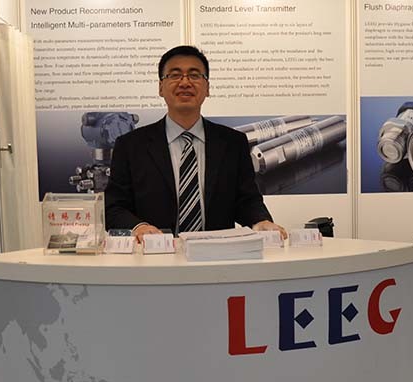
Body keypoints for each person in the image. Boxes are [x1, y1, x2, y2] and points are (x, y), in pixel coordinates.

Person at [105, 45, 287, 243]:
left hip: (216, 254)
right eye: (175, 75)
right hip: (155, 254)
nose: (185, 82)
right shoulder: (131, 146)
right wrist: (139, 227)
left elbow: (247, 200)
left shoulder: (233, 143)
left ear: (207, 88)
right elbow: (114, 207)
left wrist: (260, 221)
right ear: (160, 87)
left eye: (194, 75)